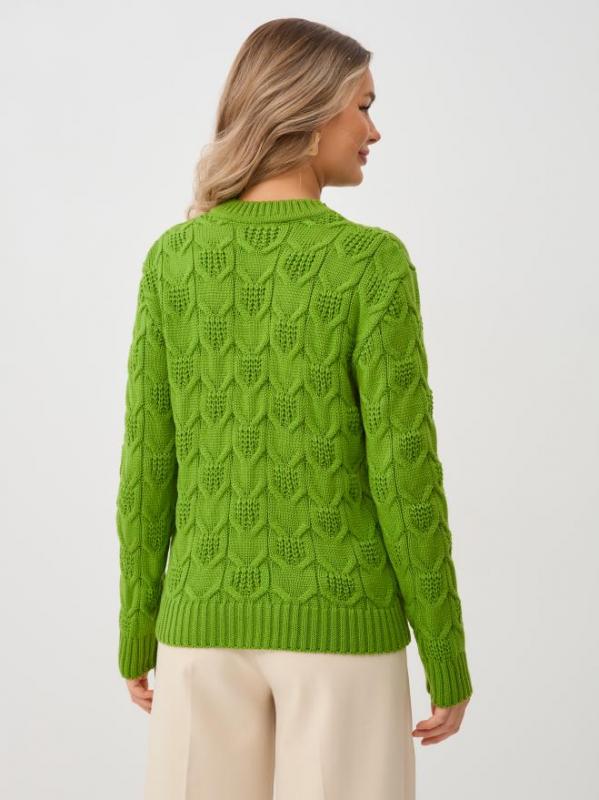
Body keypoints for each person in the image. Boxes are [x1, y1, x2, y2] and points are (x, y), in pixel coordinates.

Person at [115, 17, 473, 800]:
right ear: (307, 113)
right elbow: (403, 475)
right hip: (342, 635)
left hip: (198, 633)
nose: (373, 130)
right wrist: (444, 652)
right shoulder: (368, 263)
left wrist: (137, 630)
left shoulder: (174, 260)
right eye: (363, 106)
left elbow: (147, 465)